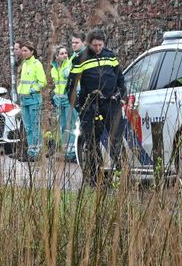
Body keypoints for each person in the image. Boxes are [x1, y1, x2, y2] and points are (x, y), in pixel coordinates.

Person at [66, 28, 126, 180]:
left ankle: (120, 174)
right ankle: (94, 178)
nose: (98, 48)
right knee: (91, 142)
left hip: (111, 104)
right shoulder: (80, 59)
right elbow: (71, 87)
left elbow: (120, 79)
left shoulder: (110, 56)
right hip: (90, 105)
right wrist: (80, 107)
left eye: (100, 45)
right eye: (94, 45)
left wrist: (119, 95)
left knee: (116, 140)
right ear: (88, 44)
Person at [13, 41, 46, 162]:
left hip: (33, 99)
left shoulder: (36, 64)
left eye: (26, 50)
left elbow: (42, 82)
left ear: (32, 52)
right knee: (28, 127)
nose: (23, 52)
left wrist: (32, 90)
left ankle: (37, 152)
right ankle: (31, 151)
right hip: (24, 99)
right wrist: (20, 91)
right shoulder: (24, 64)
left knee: (35, 126)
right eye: (22, 50)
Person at [49, 45, 77, 161]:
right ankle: (65, 151)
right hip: (59, 99)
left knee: (71, 125)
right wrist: (55, 96)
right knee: (62, 126)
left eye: (66, 53)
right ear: (56, 56)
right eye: (62, 53)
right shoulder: (54, 68)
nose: (65, 55)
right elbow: (57, 84)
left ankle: (72, 152)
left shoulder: (69, 65)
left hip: (69, 99)